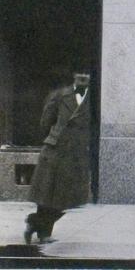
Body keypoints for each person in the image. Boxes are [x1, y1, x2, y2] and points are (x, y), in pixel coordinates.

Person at [24, 69, 92, 245]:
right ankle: (43, 233)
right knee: (48, 195)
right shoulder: (59, 95)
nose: (83, 76)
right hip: (56, 151)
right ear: (74, 76)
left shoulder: (93, 99)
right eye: (80, 73)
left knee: (69, 198)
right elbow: (45, 122)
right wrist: (54, 139)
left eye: (87, 73)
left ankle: (34, 222)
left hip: (76, 154)